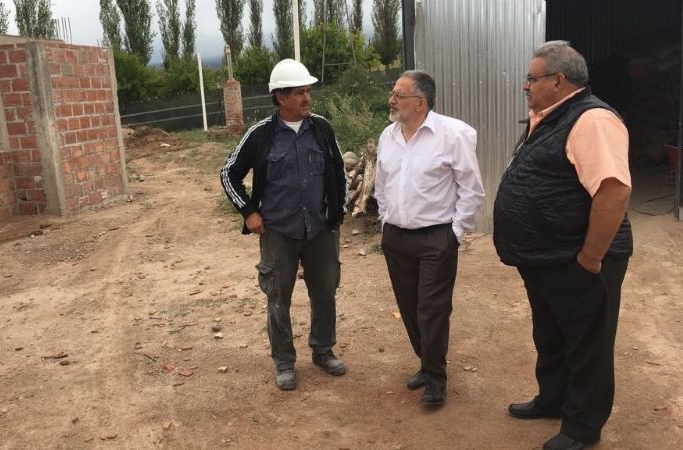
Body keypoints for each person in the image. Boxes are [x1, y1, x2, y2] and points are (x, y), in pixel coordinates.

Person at [493, 41, 632, 450]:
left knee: (587, 343)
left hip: (578, 259)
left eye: (532, 78)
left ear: (558, 80)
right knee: (550, 334)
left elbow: (613, 192)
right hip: (546, 258)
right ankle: (552, 399)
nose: (525, 85)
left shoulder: (592, 120)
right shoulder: (551, 116)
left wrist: (590, 258)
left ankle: (582, 427)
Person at [220, 59, 347, 391]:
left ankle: (323, 350)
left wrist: (338, 213)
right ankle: (285, 362)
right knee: (278, 298)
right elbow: (228, 173)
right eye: (300, 92)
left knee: (325, 292)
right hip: (279, 232)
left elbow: (338, 173)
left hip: (320, 229)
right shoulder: (261, 135)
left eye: (308, 91)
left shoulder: (321, 128)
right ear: (280, 97)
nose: (307, 98)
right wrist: (248, 211)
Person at [374, 70, 485, 406]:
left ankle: (436, 379)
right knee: (409, 307)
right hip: (396, 238)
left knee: (432, 310)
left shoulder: (454, 134)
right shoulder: (387, 136)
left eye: (399, 94)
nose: (391, 100)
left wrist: (454, 233)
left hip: (436, 238)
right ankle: (426, 362)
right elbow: (381, 185)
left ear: (420, 103)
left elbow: (471, 188)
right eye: (393, 93)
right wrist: (384, 222)